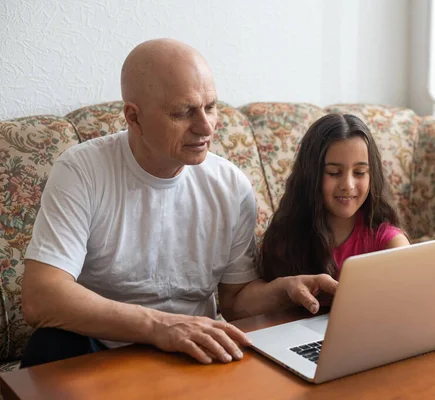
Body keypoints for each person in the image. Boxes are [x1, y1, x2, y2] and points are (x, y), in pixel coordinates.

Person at [20, 38, 337, 368]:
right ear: (134, 117)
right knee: (50, 344)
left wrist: (286, 290)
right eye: (183, 112)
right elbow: (41, 297)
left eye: (211, 107)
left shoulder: (230, 186)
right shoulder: (82, 171)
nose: (205, 127)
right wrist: (160, 326)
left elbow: (236, 301)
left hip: (193, 353)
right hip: (103, 352)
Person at [259, 113, 410, 282]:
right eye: (334, 173)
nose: (348, 185)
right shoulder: (286, 239)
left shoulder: (388, 242)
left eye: (359, 172)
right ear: (310, 175)